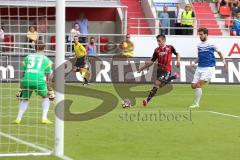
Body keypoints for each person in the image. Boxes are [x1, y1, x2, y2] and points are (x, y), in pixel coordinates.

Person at [15, 40, 54, 124]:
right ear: (44, 48)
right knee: (46, 97)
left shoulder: (27, 57)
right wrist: (50, 90)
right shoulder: (47, 60)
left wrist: (20, 89)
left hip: (26, 80)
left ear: (34, 47)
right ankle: (44, 118)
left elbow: (22, 75)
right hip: (38, 80)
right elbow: (48, 79)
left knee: (25, 99)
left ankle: (18, 118)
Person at [138, 34, 181, 106]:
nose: (158, 42)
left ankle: (147, 100)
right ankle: (174, 77)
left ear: (164, 40)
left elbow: (177, 54)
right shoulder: (156, 50)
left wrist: (178, 61)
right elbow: (152, 61)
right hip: (159, 71)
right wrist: (142, 68)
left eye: (159, 41)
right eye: (157, 41)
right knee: (160, 86)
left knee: (157, 83)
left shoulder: (170, 48)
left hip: (166, 70)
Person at [189, 28, 227, 108]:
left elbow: (220, 53)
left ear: (206, 34)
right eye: (199, 34)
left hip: (208, 68)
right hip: (199, 68)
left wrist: (223, 61)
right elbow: (200, 57)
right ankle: (206, 80)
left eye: (201, 34)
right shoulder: (199, 45)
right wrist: (193, 63)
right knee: (193, 86)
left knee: (199, 85)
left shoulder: (212, 44)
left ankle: (196, 103)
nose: (200, 36)